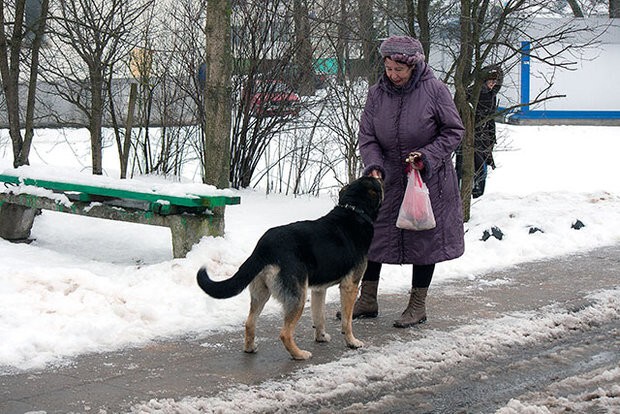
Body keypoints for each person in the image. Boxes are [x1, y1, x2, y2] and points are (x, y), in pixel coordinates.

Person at [348, 35, 465, 328]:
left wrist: (427, 156)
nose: (393, 75)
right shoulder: (376, 94)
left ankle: (417, 305)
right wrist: (373, 165)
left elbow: (453, 131)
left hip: (427, 179)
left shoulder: (435, 90)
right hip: (387, 178)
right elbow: (368, 136)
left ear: (413, 66)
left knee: (423, 238)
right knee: (375, 235)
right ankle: (367, 299)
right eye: (388, 68)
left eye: (399, 69)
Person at [456, 66, 502, 198]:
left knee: (481, 168)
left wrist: (491, 137)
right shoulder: (473, 93)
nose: (493, 84)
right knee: (465, 168)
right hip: (471, 136)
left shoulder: (491, 95)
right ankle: (465, 195)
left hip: (483, 138)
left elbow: (490, 120)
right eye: (490, 81)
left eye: (495, 82)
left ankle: (478, 195)